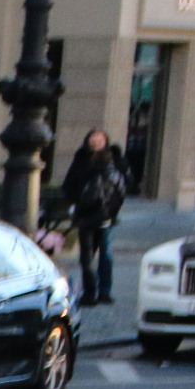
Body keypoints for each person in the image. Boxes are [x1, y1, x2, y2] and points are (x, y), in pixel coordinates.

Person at [61, 128, 126, 305]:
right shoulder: (81, 159)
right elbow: (70, 185)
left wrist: (112, 210)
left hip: (105, 216)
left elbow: (122, 189)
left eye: (99, 140)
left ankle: (103, 291)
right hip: (87, 215)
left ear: (105, 142)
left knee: (104, 254)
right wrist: (77, 203)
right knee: (87, 257)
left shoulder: (113, 162)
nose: (95, 143)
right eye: (92, 140)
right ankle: (91, 292)